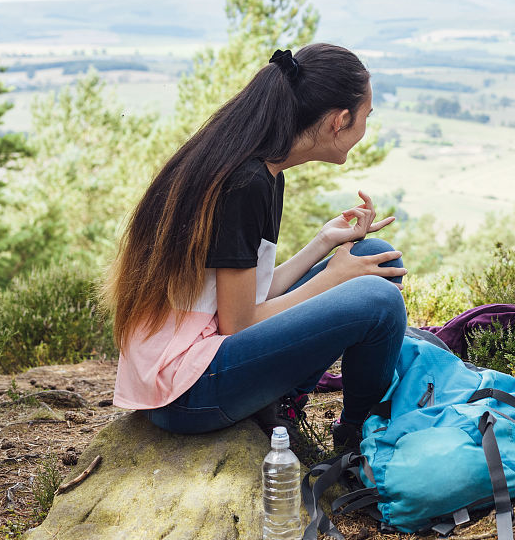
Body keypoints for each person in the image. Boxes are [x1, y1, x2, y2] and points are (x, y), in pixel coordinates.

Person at [107, 43, 408, 449]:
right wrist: (333, 279)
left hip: (201, 358)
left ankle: (289, 407)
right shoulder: (244, 183)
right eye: (366, 117)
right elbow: (240, 325)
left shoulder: (262, 171)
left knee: (374, 255)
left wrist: (323, 244)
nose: (366, 127)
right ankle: (361, 439)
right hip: (184, 391)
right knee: (378, 298)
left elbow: (248, 299)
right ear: (340, 120)